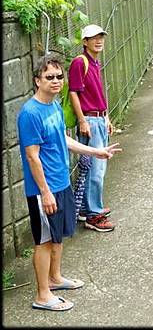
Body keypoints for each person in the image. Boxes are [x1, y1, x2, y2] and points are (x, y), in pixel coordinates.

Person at [17, 54, 121, 312]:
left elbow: (63, 140)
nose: (55, 81)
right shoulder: (29, 113)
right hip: (44, 189)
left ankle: (55, 278)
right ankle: (42, 295)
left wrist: (96, 151)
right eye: (49, 77)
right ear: (37, 81)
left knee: (59, 235)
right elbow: (32, 155)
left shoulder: (54, 105)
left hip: (61, 181)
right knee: (44, 240)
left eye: (59, 77)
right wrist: (45, 192)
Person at [68, 24, 116, 232]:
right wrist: (82, 120)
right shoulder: (80, 62)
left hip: (98, 119)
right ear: (84, 41)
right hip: (89, 120)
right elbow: (73, 92)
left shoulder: (94, 62)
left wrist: (106, 117)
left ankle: (88, 208)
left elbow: (96, 94)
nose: (98, 41)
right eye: (93, 38)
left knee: (93, 167)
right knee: (97, 169)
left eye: (101, 37)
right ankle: (93, 216)